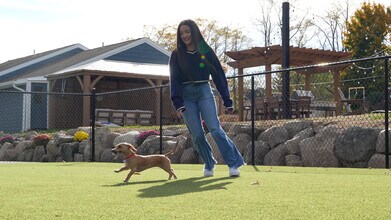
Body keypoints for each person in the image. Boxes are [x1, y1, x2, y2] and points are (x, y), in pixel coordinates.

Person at [169, 19, 245, 177]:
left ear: (194, 32)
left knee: (215, 129)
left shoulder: (205, 49)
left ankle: (233, 163)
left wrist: (227, 99)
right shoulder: (176, 55)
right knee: (196, 133)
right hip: (186, 95)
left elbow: (217, 74)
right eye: (182, 33)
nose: (185, 35)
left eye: (187, 31)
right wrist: (178, 102)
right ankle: (209, 163)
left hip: (204, 91)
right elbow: (174, 79)